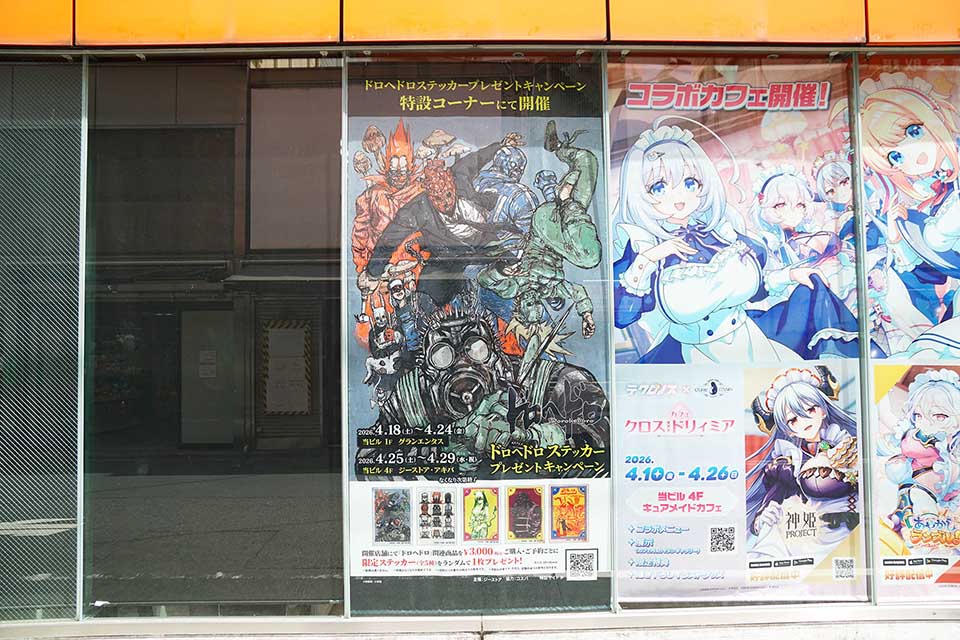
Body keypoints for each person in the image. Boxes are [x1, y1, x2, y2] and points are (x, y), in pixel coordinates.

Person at [746, 367, 859, 559]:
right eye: (793, 419)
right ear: (787, 429)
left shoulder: (842, 442)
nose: (804, 420)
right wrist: (762, 517)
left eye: (810, 409)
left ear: (823, 410)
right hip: (808, 534)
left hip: (848, 525)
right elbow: (776, 495)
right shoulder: (789, 460)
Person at [879, 369, 960, 543]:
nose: (925, 423)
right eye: (918, 415)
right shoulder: (918, 438)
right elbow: (889, 420)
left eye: (939, 416)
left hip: (944, 499)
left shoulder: (950, 443)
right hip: (918, 492)